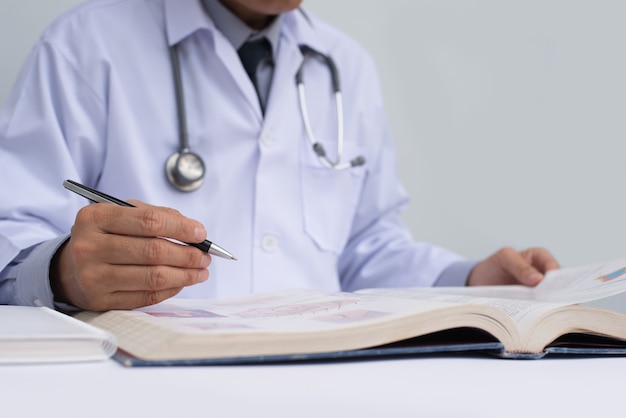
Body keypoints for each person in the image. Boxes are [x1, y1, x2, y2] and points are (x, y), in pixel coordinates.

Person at [0, 0, 558, 312]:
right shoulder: (84, 44)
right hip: (146, 385)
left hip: (318, 381)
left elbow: (365, 252)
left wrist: (468, 279)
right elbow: (11, 235)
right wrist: (64, 270)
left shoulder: (346, 67)